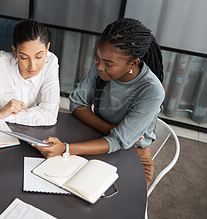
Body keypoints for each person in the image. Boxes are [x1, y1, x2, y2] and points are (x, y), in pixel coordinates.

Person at [33, 18, 165, 186]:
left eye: (108, 64)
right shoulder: (103, 68)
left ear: (133, 63)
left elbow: (119, 142)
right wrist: (112, 130)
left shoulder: (152, 90)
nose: (99, 67)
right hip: (98, 138)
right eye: (97, 58)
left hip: (134, 157)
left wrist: (66, 149)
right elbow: (77, 103)